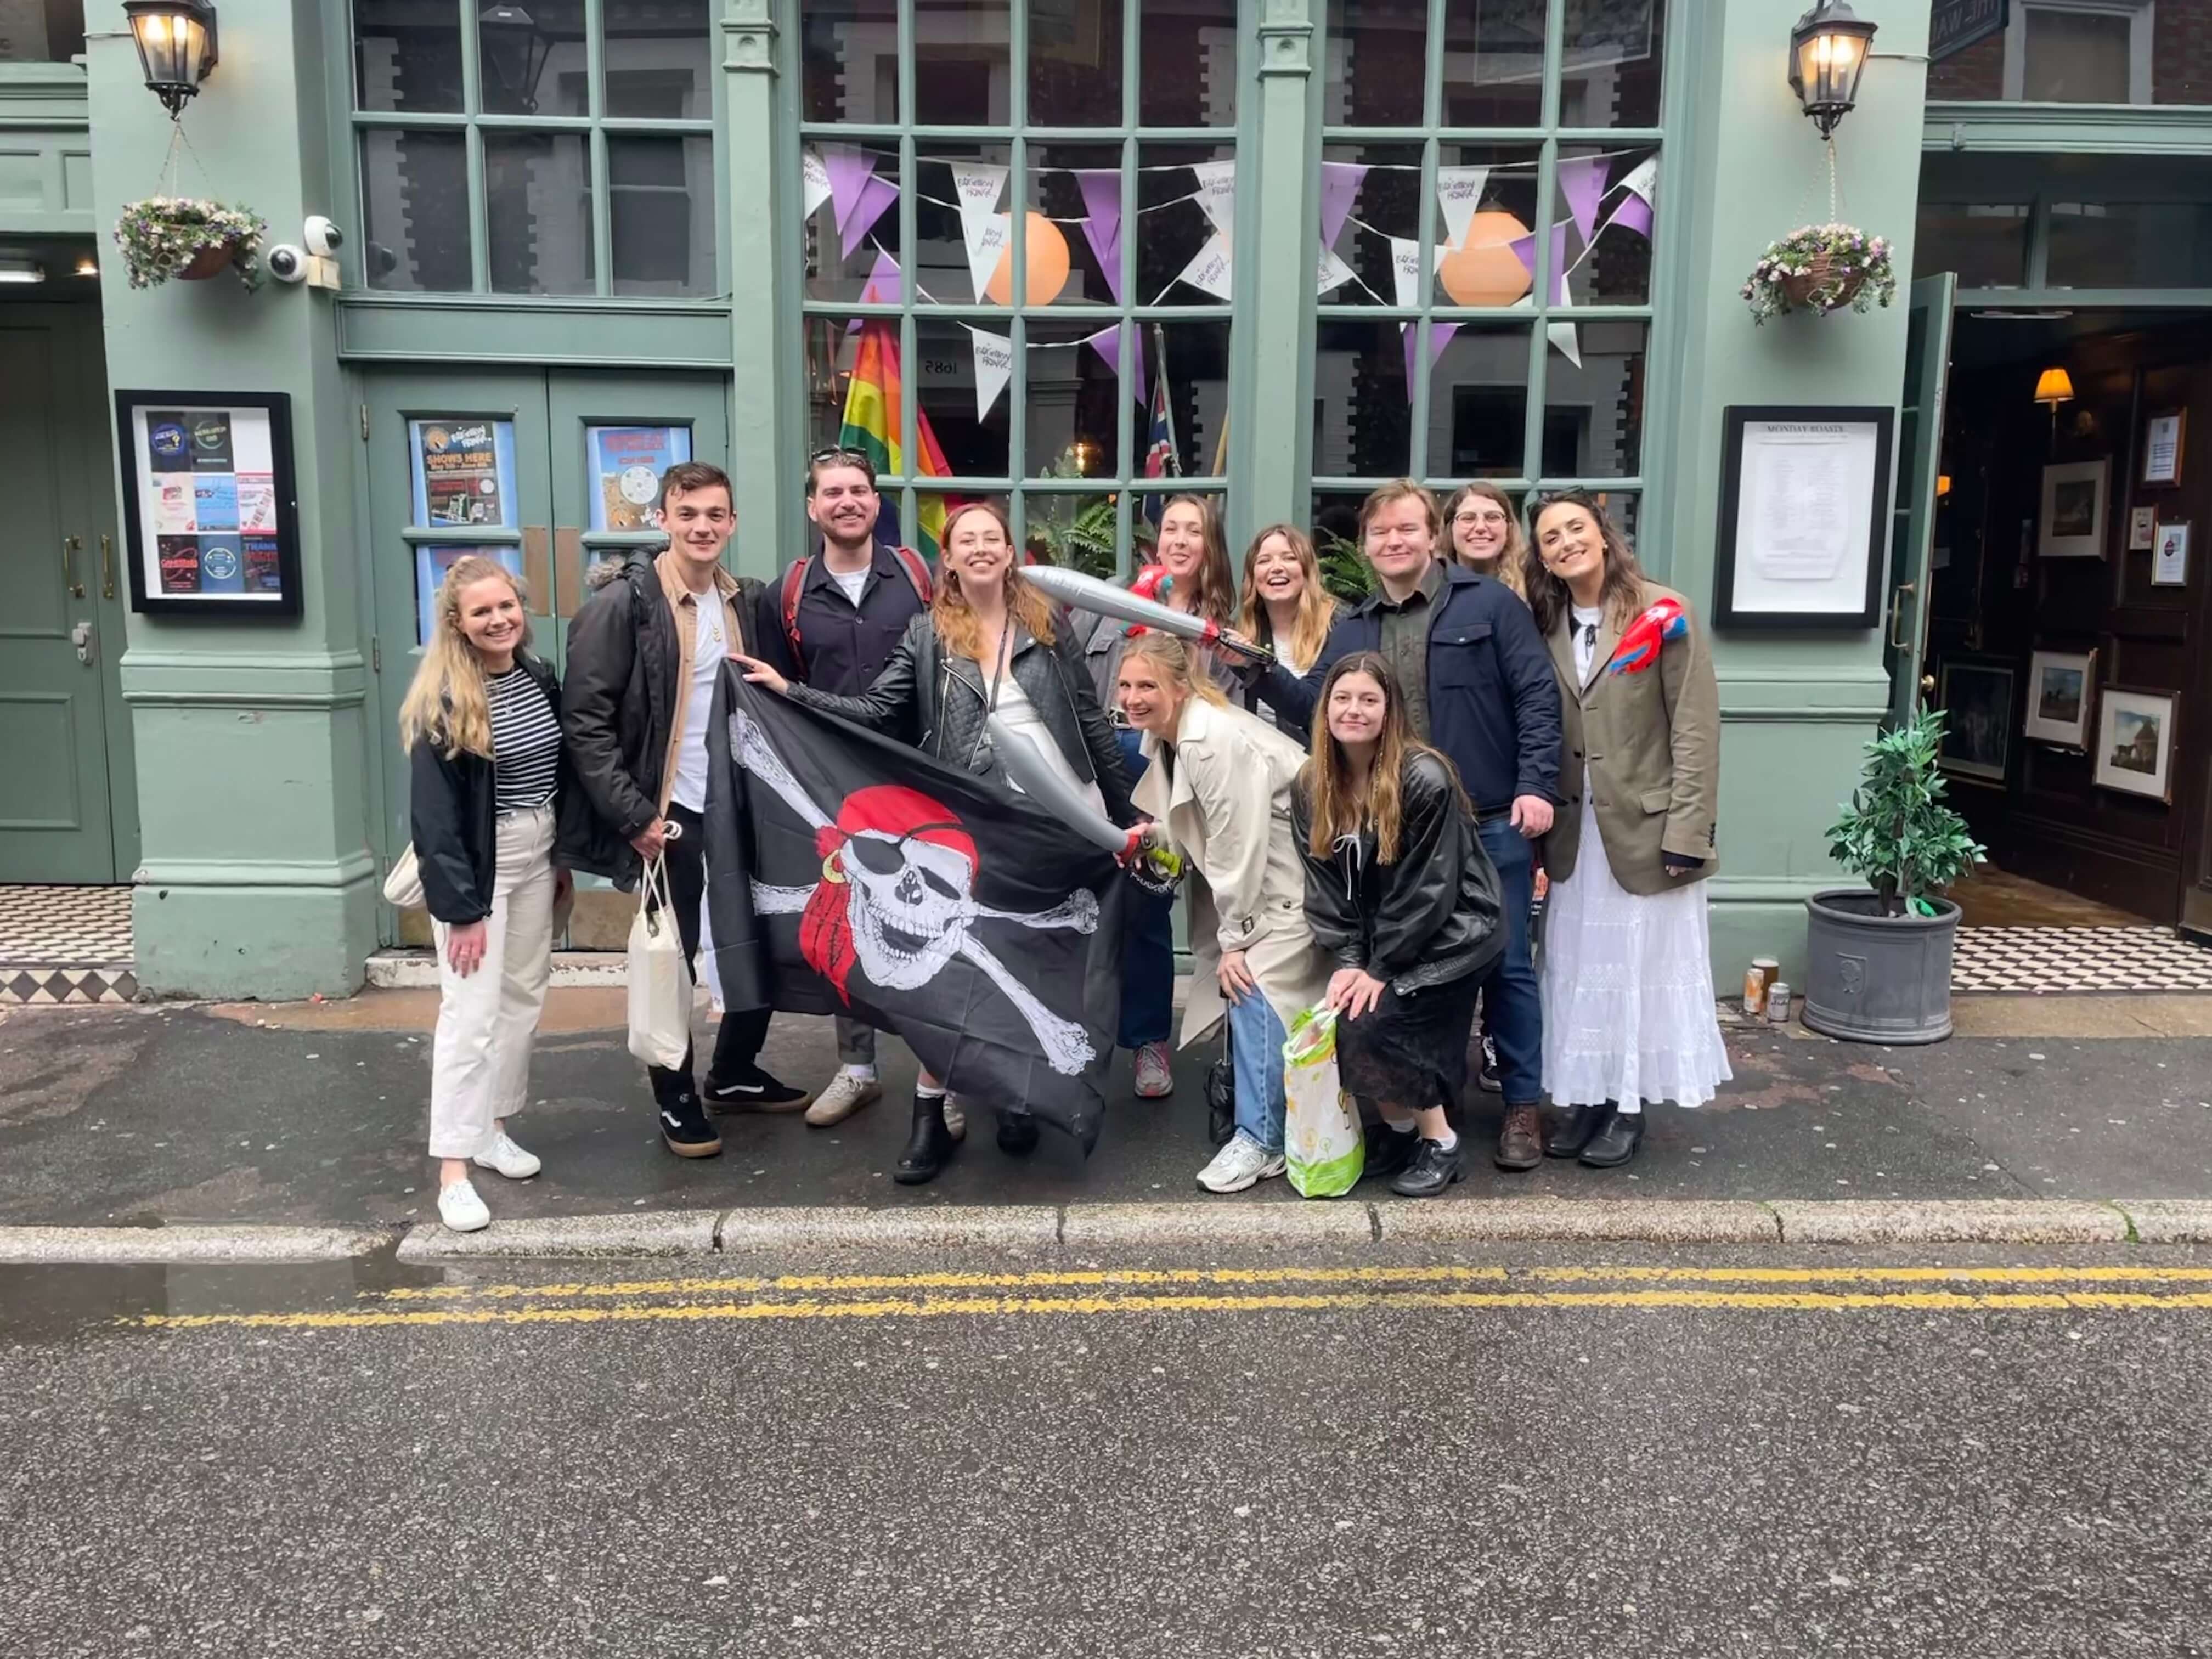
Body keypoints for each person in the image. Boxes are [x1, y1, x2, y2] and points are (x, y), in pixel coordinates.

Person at [737, 499, 1136, 1184]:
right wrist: (792, 694)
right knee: (952, 969)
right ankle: (931, 1112)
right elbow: (877, 708)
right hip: (967, 822)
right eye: (966, 541)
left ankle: (1018, 1100)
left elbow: (1093, 725)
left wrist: (1123, 816)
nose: (981, 549)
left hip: (1048, 817)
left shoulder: (1049, 625)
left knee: (1035, 957)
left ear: (1011, 555)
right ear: (946, 560)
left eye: (993, 539)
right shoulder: (928, 633)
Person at [1253, 480, 1562, 1175]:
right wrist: (1260, 671)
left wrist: (1536, 785)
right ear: (1366, 547)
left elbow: (1537, 695)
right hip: (1402, 831)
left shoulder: (1490, 606)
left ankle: (1520, 1107)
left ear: (1433, 537)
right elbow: (1320, 708)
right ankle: (1433, 1116)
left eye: (1407, 530)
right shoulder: (1356, 626)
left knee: (1506, 968)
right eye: (1381, 533)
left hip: (1488, 817)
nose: (1394, 542)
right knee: (1417, 975)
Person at [560, 460, 811, 1161]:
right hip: (668, 813)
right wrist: (634, 815)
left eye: (715, 515)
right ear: (664, 519)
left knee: (755, 936)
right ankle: (674, 1094)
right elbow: (585, 721)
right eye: (689, 513)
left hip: (741, 804)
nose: (703, 527)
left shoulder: (742, 604)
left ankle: (732, 1074)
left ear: (732, 523)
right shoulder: (625, 605)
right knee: (673, 960)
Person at [1525, 490, 1730, 1169]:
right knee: (1582, 970)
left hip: (1647, 831)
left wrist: (1688, 831)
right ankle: (1587, 1096)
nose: (1565, 543)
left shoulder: (1663, 611)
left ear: (1604, 536)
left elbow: (1696, 729)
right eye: (1550, 537)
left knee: (1638, 973)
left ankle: (1628, 1106)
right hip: (1575, 837)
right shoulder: (1545, 622)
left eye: (1575, 528)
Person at [752, 447, 934, 1132]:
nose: (847, 501)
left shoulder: (918, 577)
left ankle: (934, 1075)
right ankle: (856, 1068)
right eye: (833, 492)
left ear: (876, 502)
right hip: (829, 778)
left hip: (915, 772)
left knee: (917, 913)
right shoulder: (789, 592)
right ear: (813, 506)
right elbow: (777, 687)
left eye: (858, 490)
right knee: (845, 917)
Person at [1115, 632, 1331, 1193]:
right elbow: (1194, 815)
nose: (1134, 698)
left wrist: (1238, 939)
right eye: (1126, 684)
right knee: (1248, 985)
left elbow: (1238, 840)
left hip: (1290, 883)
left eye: (1148, 686)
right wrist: (1154, 836)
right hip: (1268, 876)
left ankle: (1260, 1142)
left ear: (1180, 687)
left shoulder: (1208, 738)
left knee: (1250, 983)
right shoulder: (1170, 735)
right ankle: (1268, 1128)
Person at [400, 557, 572, 1233]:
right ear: (458, 623)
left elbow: (556, 776)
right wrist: (463, 910)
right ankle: (452, 1170)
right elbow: (435, 822)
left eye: (507, 607)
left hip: (538, 852)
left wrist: (561, 859)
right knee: (469, 1015)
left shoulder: (537, 677)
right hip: (482, 864)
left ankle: (493, 1129)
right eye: (482, 612)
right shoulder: (445, 699)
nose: (499, 620)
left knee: (522, 1000)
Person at [1291, 654, 1503, 1197]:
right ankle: (1402, 1132)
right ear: (1326, 707)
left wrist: (1379, 969)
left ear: (1390, 711)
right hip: (1385, 938)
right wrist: (1347, 962)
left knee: (1381, 1018)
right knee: (1347, 1015)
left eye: (1368, 699)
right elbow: (1323, 884)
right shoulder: (1313, 783)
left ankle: (1441, 1142)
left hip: (1453, 933)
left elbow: (1429, 891)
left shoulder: (1424, 777)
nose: (1353, 711)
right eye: (1343, 698)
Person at [1079, 493, 1240, 1102]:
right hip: (1100, 770)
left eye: (1192, 531)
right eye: (1170, 528)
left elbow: (1221, 710)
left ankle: (1148, 1040)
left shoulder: (1221, 625)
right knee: (1083, 909)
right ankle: (1077, 1039)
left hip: (1171, 777)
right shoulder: (1112, 609)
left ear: (1208, 545)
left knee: (1148, 908)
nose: (1179, 539)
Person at [1234, 523, 1341, 743]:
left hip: (1318, 766)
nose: (1276, 567)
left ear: (1307, 569)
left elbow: (1312, 710)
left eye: (1289, 558)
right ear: (1253, 577)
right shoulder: (1243, 633)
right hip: (1260, 764)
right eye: (1264, 561)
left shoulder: (1338, 626)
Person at [1442, 482, 1528, 599]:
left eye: (1493, 517)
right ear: (1450, 529)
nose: (1480, 527)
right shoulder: (1431, 590)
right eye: (1468, 518)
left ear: (1509, 528)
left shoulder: (1533, 591)